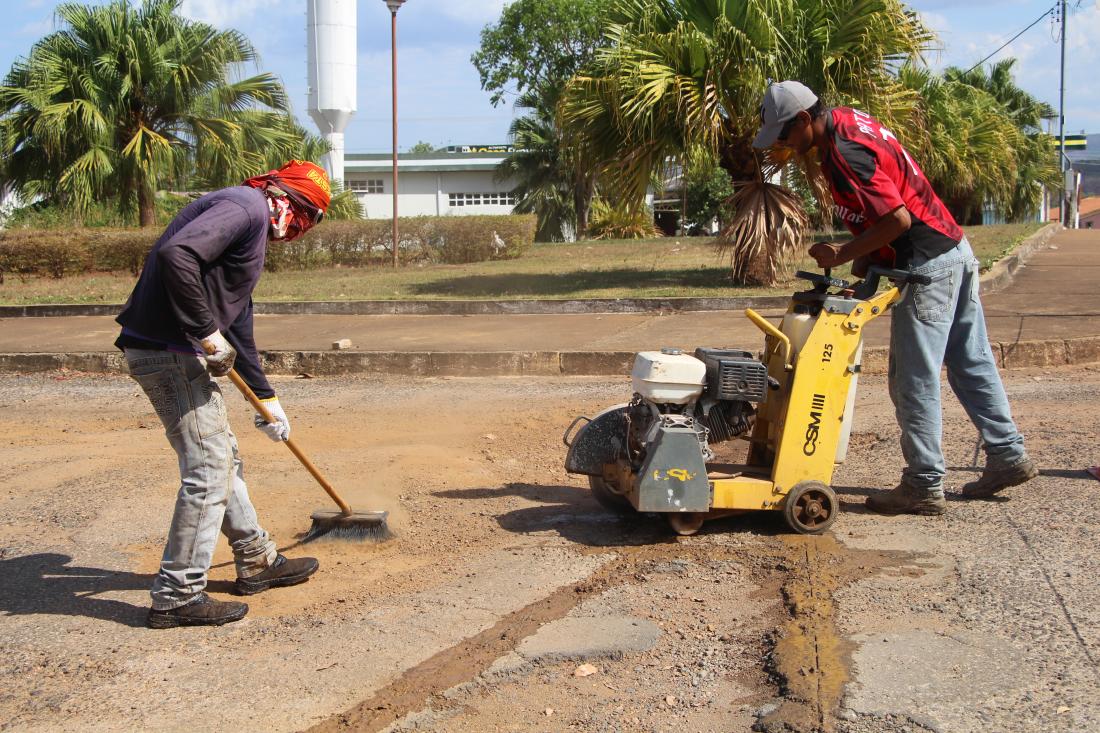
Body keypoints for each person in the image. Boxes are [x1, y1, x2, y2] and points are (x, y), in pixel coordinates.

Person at [753, 81, 1037, 516]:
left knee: (911, 378)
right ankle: (1007, 455)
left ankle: (923, 484)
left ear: (806, 120)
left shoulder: (844, 154)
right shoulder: (848, 123)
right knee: (970, 361)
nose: (784, 145)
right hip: (954, 250)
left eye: (786, 134)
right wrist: (862, 272)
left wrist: (841, 253)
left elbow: (896, 219)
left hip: (926, 265)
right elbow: (878, 212)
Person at [116, 160, 331, 627]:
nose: (299, 228)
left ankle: (256, 559)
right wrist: (206, 334)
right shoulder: (245, 206)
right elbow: (178, 255)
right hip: (167, 350)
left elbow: (239, 324)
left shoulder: (249, 228)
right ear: (283, 197)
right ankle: (177, 595)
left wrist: (267, 397)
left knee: (223, 460)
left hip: (179, 349)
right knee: (209, 468)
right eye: (304, 215)